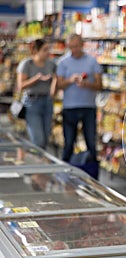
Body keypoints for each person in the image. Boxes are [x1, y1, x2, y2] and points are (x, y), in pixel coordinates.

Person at [56, 34, 102, 163]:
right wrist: (71, 80)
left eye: (76, 46)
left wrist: (87, 84)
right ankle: (64, 173)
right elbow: (59, 85)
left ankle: (93, 175)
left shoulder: (92, 61)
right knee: (69, 143)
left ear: (82, 45)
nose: (74, 50)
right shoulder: (63, 62)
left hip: (89, 107)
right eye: (71, 47)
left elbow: (100, 85)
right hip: (69, 108)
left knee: (91, 143)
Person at [16, 39, 57, 149]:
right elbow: (20, 85)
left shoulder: (51, 64)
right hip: (32, 102)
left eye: (48, 49)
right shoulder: (27, 64)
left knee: (46, 136)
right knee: (38, 139)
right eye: (44, 50)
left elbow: (56, 80)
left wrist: (54, 84)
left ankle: (41, 161)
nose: (48, 52)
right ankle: (38, 162)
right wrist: (37, 78)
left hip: (47, 101)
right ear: (36, 51)